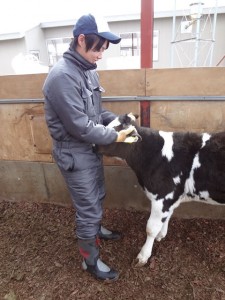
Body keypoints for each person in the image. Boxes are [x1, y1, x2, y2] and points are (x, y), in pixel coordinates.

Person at [42, 14, 134, 282]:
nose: (101, 55)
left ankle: (96, 229)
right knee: (88, 208)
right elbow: (80, 126)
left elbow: (96, 112)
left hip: (92, 147)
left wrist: (119, 121)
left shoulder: (88, 71)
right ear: (81, 40)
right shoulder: (62, 77)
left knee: (98, 195)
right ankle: (90, 260)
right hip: (74, 151)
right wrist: (116, 137)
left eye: (104, 49)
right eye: (98, 48)